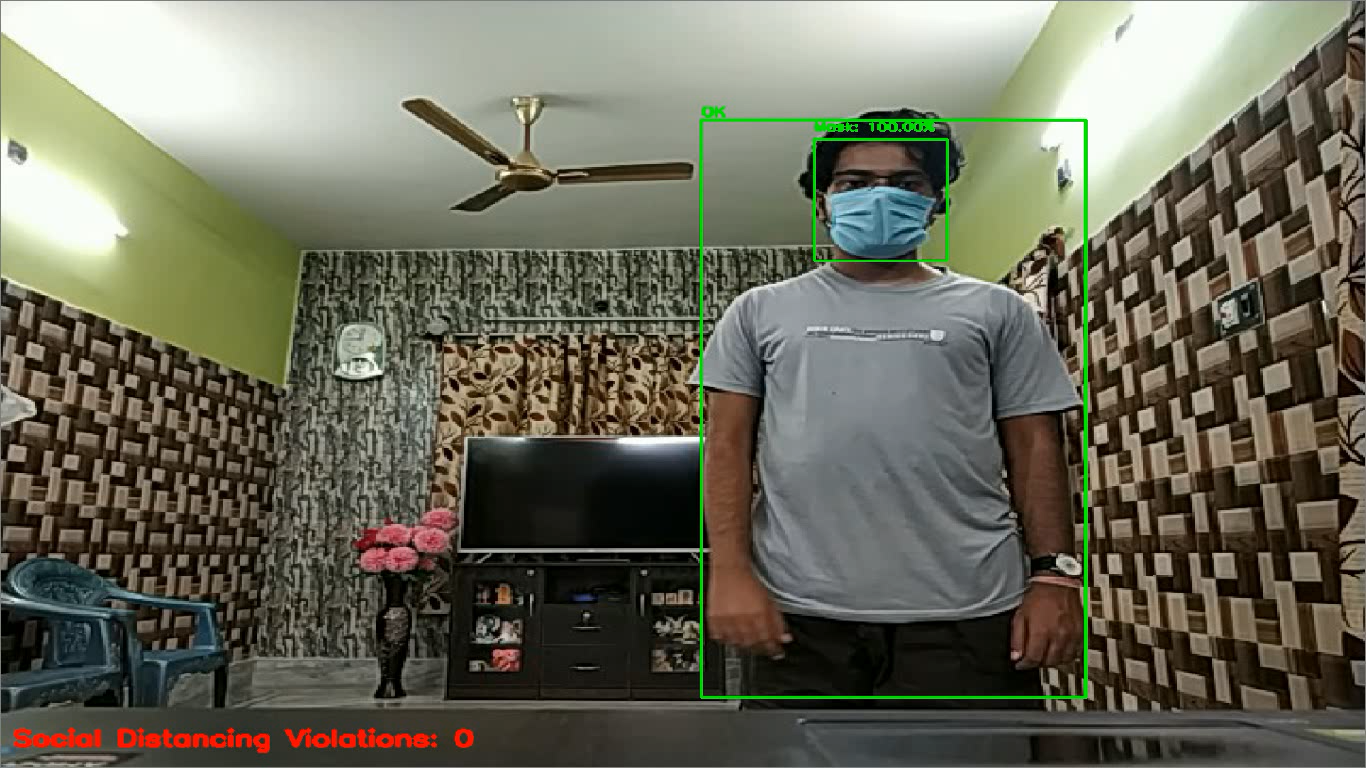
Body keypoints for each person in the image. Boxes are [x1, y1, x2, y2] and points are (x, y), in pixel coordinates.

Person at [691, 108, 1084, 708]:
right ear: (822, 202)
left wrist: (1054, 576)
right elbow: (725, 447)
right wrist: (729, 571)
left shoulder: (998, 311)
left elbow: (1035, 444)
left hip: (970, 614)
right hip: (800, 618)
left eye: (905, 183)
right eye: (854, 182)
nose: (879, 197)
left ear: (937, 202)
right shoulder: (758, 311)